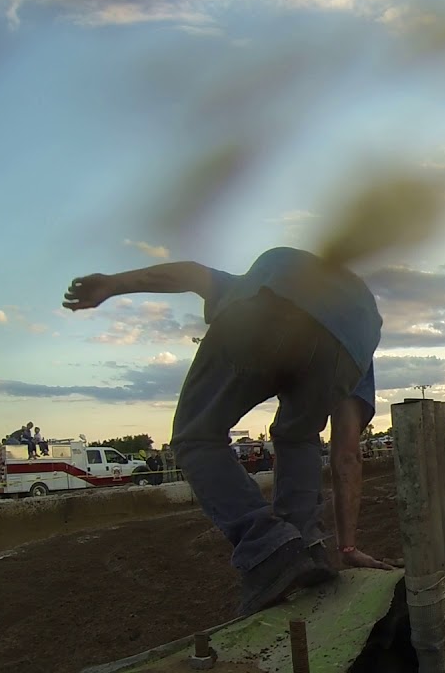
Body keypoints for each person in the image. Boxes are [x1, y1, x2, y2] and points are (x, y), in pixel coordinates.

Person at [63, 246, 394, 617]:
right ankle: (306, 546)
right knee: (298, 434)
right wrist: (347, 548)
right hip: (350, 345)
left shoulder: (243, 286)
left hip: (273, 300)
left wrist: (112, 284)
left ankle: (269, 546)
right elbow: (347, 452)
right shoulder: (358, 330)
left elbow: (189, 272)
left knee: (196, 435)